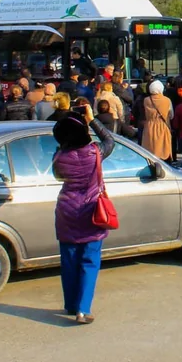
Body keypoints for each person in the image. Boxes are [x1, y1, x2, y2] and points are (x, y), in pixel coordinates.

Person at [51, 102, 115, 325]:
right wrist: (92, 119)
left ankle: (70, 304)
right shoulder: (95, 153)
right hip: (91, 210)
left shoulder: (59, 157)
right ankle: (83, 309)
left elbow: (57, 176)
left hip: (66, 210)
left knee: (68, 260)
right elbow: (110, 140)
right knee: (89, 260)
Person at [139, 80, 174, 163]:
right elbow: (171, 115)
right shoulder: (167, 100)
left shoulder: (146, 100)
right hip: (163, 126)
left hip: (149, 127)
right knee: (163, 150)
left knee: (150, 151)